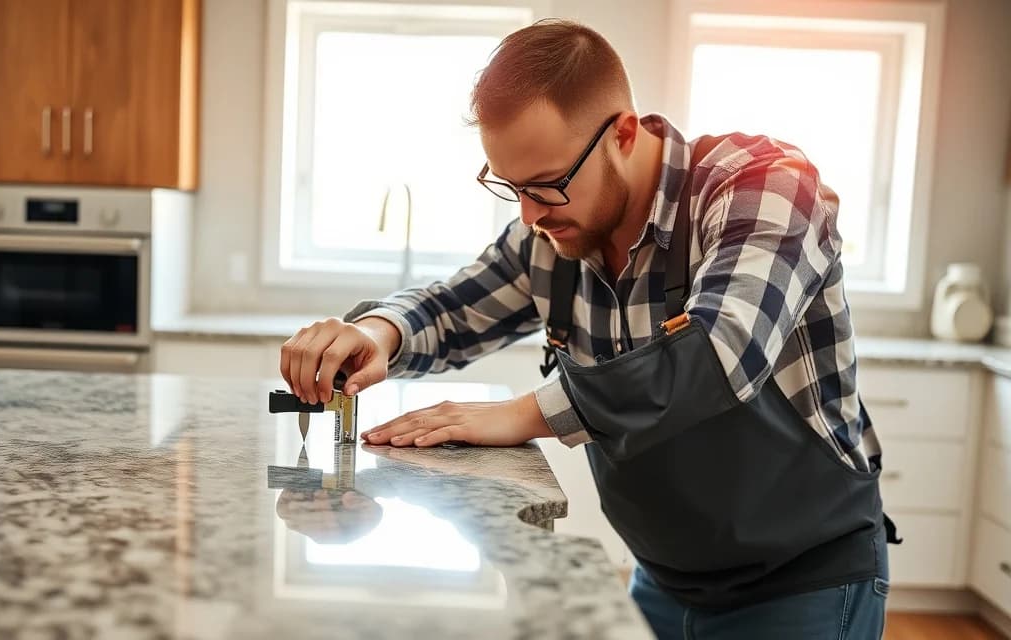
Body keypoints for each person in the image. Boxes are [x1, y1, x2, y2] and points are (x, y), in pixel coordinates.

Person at [278, 18, 896, 639]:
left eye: (547, 185)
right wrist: (378, 332)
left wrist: (525, 414)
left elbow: (718, 354)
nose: (529, 214)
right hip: (661, 579)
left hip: (803, 586)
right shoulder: (554, 234)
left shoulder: (765, 186)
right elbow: (450, 310)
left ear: (622, 133)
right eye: (511, 187)